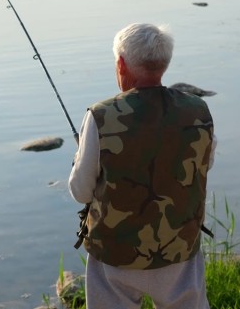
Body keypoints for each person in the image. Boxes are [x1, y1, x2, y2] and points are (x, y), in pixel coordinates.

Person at [68, 23, 216, 309]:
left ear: (121, 64)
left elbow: (81, 192)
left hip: (114, 254)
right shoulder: (198, 110)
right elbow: (203, 165)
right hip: (179, 247)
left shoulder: (100, 116)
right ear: (164, 64)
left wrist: (79, 157)